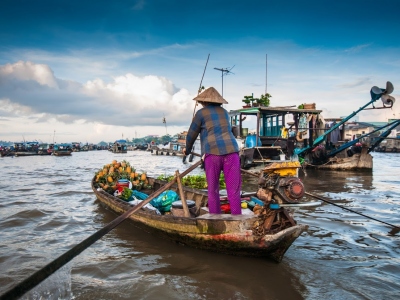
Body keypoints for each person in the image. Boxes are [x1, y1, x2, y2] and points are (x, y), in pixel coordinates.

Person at [183, 87, 242, 215]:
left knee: (213, 190)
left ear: (203, 102)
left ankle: (215, 218)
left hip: (213, 153)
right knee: (234, 190)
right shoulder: (225, 112)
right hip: (232, 151)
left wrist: (187, 151)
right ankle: (237, 219)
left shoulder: (200, 113)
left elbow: (191, 134)